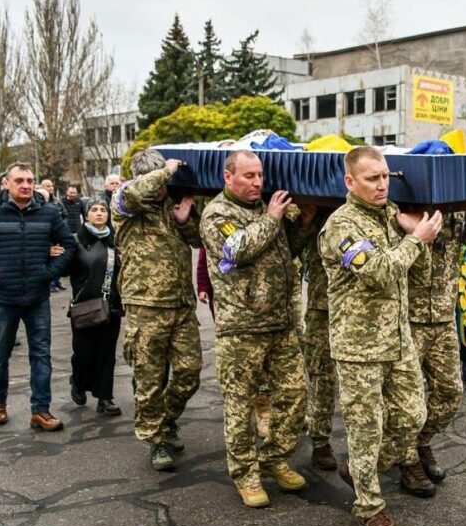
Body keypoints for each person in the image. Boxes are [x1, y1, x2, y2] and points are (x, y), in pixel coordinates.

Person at [319, 145, 442, 526]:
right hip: (358, 347)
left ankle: (359, 469)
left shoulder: (391, 216)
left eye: (386, 176)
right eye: (372, 178)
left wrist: (414, 235)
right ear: (350, 182)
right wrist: (416, 239)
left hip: (397, 339)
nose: (382, 184)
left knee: (411, 417)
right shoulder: (341, 226)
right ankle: (369, 506)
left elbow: (416, 270)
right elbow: (376, 272)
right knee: (365, 428)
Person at [200, 150, 316, 507]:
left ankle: (274, 459)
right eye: (248, 176)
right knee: (240, 406)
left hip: (280, 326)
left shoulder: (266, 208)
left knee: (296, 396)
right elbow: (238, 250)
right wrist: (271, 218)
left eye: (260, 176)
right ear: (227, 176)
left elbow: (287, 251)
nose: (256, 182)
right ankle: (245, 474)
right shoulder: (216, 214)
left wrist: (305, 222)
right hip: (241, 329)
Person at [0, 162, 76, 430]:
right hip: (3, 299)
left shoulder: (48, 213)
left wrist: (49, 272)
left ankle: (41, 410)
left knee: (41, 354)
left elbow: (69, 244)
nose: (25, 185)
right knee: (0, 355)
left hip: (37, 297)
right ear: (7, 184)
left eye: (30, 180)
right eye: (19, 180)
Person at [111, 149, 202, 472]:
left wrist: (184, 218)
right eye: (160, 180)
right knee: (148, 380)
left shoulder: (171, 204)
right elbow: (138, 191)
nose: (164, 187)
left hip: (180, 303)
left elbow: (197, 239)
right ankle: (157, 440)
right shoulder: (125, 203)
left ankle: (167, 419)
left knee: (190, 371)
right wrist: (167, 170)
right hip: (145, 305)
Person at [401, 202, 466, 495]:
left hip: (442, 318)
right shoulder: (402, 207)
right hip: (408, 319)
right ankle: (408, 460)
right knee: (406, 401)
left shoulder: (457, 209)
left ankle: (419, 441)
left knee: (450, 392)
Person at [67, 196, 123, 416]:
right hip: (84, 307)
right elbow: (63, 269)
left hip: (111, 306)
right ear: (86, 214)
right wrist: (51, 253)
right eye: (94, 210)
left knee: (107, 353)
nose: (99, 213)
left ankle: (105, 397)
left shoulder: (116, 241)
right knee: (84, 353)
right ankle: (78, 381)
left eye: (103, 210)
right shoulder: (75, 240)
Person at [301, 209, 339, 470]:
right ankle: (319, 441)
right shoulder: (318, 204)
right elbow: (293, 244)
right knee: (322, 376)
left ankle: (385, 446)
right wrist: (306, 218)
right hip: (322, 304)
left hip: (364, 307)